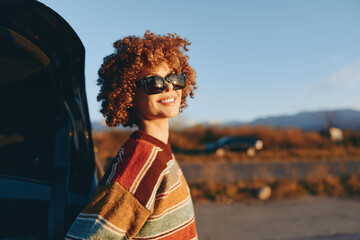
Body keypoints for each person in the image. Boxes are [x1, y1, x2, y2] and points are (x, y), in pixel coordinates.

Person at [65, 31, 198, 239]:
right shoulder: (140, 161)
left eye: (174, 78)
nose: (170, 87)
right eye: (155, 83)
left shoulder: (157, 150)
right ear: (129, 95)